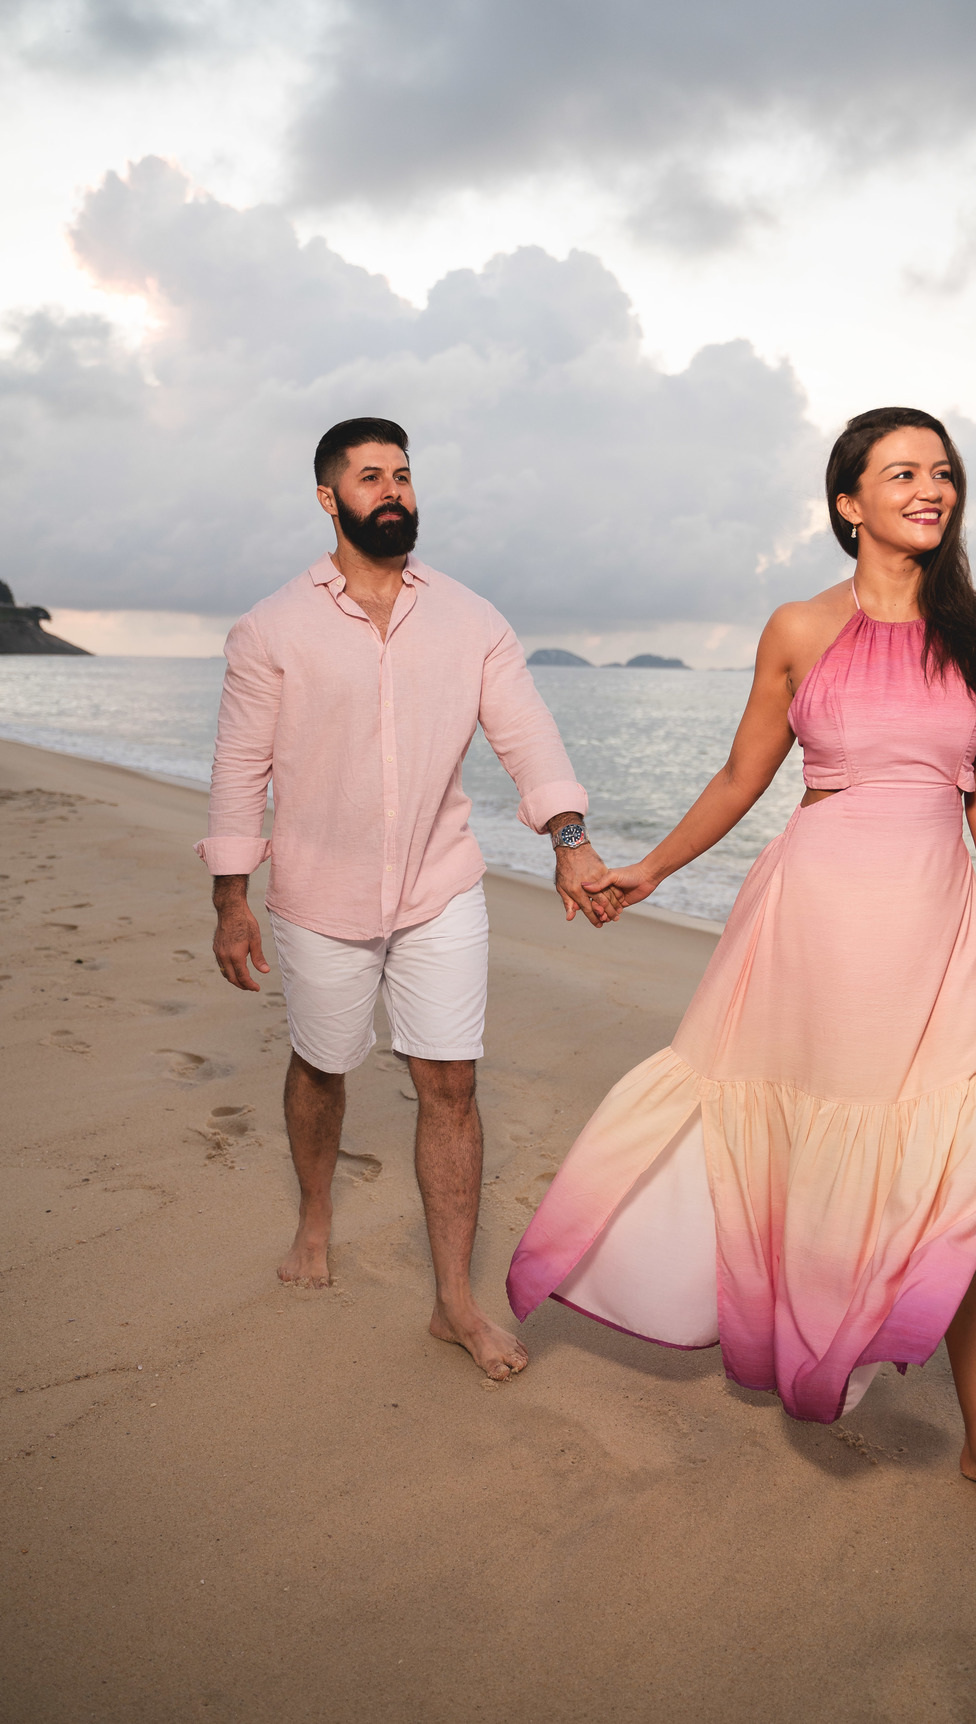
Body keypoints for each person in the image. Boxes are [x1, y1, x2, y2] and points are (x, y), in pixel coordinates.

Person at [509, 406, 976, 1515]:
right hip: (815, 921)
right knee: (798, 1143)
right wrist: (652, 870)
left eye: (945, 472)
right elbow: (740, 777)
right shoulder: (798, 628)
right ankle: (806, 1329)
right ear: (847, 503)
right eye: (903, 472)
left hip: (934, 929)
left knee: (957, 1170)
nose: (932, 488)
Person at [198, 416, 617, 1381]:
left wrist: (570, 842)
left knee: (451, 1086)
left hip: (440, 886)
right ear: (327, 497)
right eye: (372, 477)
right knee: (324, 1062)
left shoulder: (473, 620)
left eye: (404, 475)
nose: (394, 491)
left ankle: (454, 1301)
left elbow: (529, 740)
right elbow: (237, 772)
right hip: (317, 896)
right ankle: (315, 1217)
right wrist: (232, 897)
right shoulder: (271, 628)